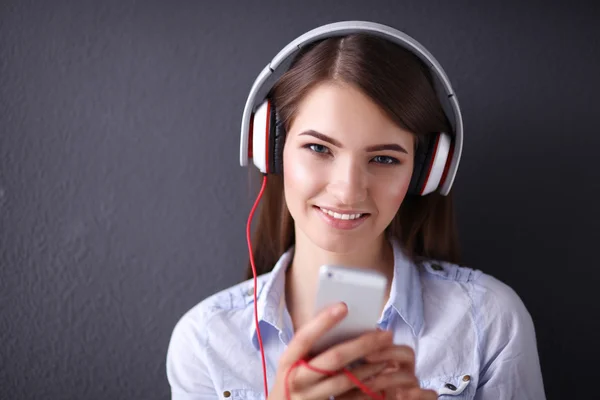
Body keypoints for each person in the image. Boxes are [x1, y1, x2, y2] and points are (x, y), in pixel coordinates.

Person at [166, 21, 546, 400]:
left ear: (425, 173)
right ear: (272, 148)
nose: (348, 191)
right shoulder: (205, 342)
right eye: (318, 148)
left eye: (384, 158)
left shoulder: (490, 321)